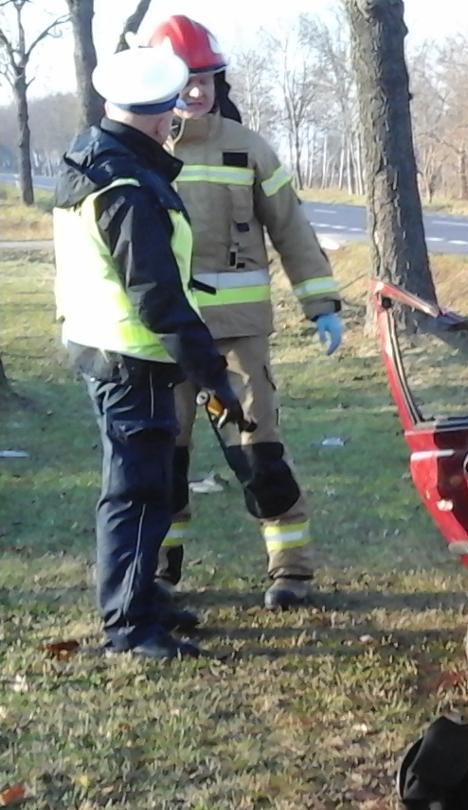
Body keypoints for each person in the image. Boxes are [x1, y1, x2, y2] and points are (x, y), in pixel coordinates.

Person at [53, 46, 247, 660]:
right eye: (170, 113)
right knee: (136, 492)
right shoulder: (128, 185)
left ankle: (141, 599)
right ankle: (130, 627)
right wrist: (214, 375)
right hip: (131, 357)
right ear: (160, 116)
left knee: (151, 483)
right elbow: (157, 295)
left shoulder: (94, 155)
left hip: (106, 347)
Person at [148, 15, 344, 609]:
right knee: (164, 462)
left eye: (206, 78)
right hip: (165, 341)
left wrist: (321, 304)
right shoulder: (143, 150)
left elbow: (293, 230)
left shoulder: (248, 147)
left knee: (260, 457)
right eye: (185, 80)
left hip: (239, 341)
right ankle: (159, 573)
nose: (197, 91)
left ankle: (292, 570)